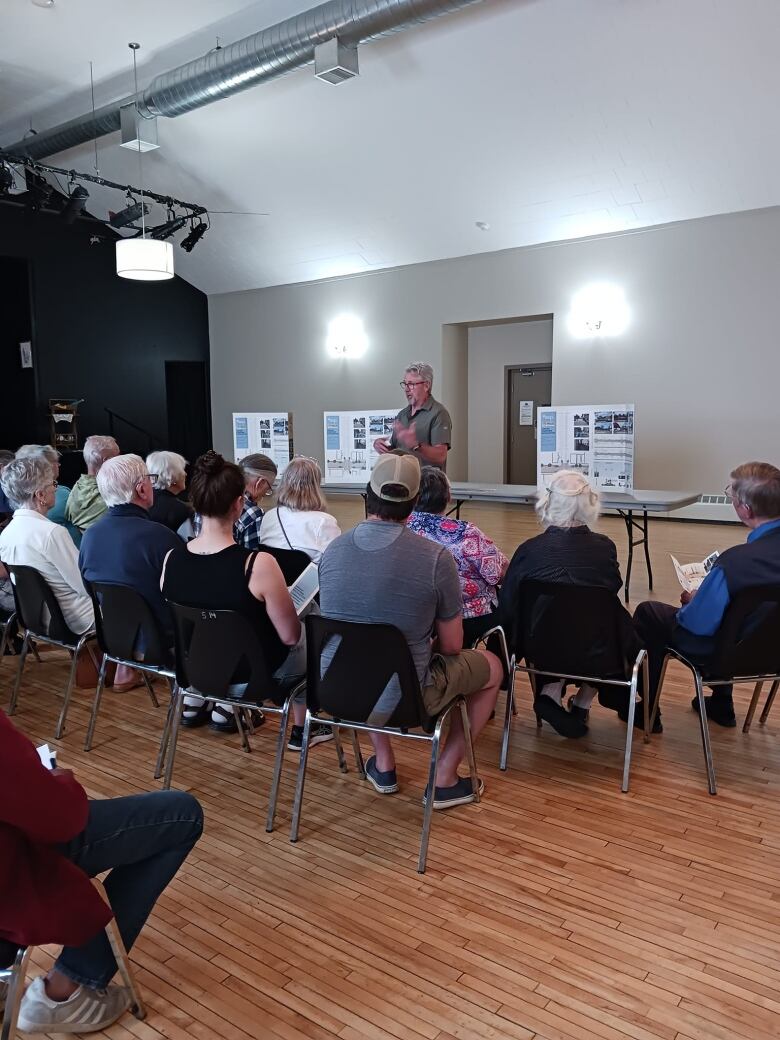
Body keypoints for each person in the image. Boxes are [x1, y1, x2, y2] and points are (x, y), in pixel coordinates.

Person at [0, 708, 203, 1034]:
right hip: (14, 877)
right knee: (184, 815)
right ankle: (67, 990)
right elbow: (60, 817)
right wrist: (59, 779)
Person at [318, 453, 502, 808]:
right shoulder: (435, 558)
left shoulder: (332, 551)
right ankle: (445, 776)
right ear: (415, 504)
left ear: (367, 496)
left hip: (336, 690)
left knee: (366, 652)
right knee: (492, 667)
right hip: (406, 699)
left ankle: (384, 763)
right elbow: (451, 646)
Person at [161, 451, 333, 749]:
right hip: (253, 675)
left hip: (196, 671)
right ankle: (305, 726)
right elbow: (290, 637)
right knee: (313, 630)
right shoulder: (258, 565)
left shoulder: (170, 560)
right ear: (239, 504)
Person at [633, 461, 780, 729]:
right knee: (738, 618)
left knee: (649, 612)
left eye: (731, 496)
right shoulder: (740, 563)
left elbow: (697, 625)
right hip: (772, 650)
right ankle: (721, 703)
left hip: (725, 653)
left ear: (745, 509)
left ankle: (648, 714)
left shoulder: (735, 563)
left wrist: (693, 601)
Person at [499, 470, 641, 738]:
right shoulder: (604, 548)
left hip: (541, 648)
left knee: (557, 618)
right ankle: (583, 701)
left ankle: (552, 692)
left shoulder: (529, 549)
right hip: (598, 650)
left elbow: (509, 602)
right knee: (601, 619)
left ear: (548, 503)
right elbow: (612, 588)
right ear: (590, 504)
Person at [79, 455, 182, 691]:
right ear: (142, 489)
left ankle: (127, 670)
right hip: (161, 643)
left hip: (114, 639)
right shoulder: (161, 538)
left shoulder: (90, 537)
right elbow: (185, 597)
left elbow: (91, 589)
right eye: (150, 479)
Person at [408, 466, 508, 646]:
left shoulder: (400, 529)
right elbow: (500, 574)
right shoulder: (466, 533)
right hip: (468, 616)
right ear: (448, 497)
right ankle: (499, 666)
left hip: (416, 613)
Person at [0, 456, 93, 636]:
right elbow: (84, 586)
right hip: (76, 619)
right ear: (40, 495)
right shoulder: (52, 533)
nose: (55, 489)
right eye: (53, 484)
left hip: (36, 618)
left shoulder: (6, 534)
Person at [373, 362, 452, 472]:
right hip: (403, 484)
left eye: (411, 384)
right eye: (405, 384)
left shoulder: (439, 413)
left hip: (427, 486)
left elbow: (440, 456)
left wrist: (416, 445)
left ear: (426, 385)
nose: (406, 389)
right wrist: (382, 447)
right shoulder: (402, 415)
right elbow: (397, 452)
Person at [259, 457, 341, 563]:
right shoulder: (324, 522)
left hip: (274, 578)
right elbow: (336, 563)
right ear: (315, 486)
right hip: (311, 579)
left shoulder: (269, 516)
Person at [192, 452, 277, 548]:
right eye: (268, 488)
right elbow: (252, 555)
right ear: (259, 483)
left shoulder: (207, 502)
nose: (266, 493)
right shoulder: (253, 514)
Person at [16, 443, 81, 547]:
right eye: (55, 461)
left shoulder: (18, 495)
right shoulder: (63, 494)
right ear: (45, 465)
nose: (59, 465)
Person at [65, 435, 120, 534]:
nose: (121, 461)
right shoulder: (113, 498)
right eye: (117, 457)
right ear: (106, 461)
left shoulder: (75, 490)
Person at [145, 450, 193, 533]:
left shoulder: (142, 501)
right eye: (182, 470)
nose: (185, 474)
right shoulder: (178, 510)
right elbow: (189, 541)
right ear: (172, 476)